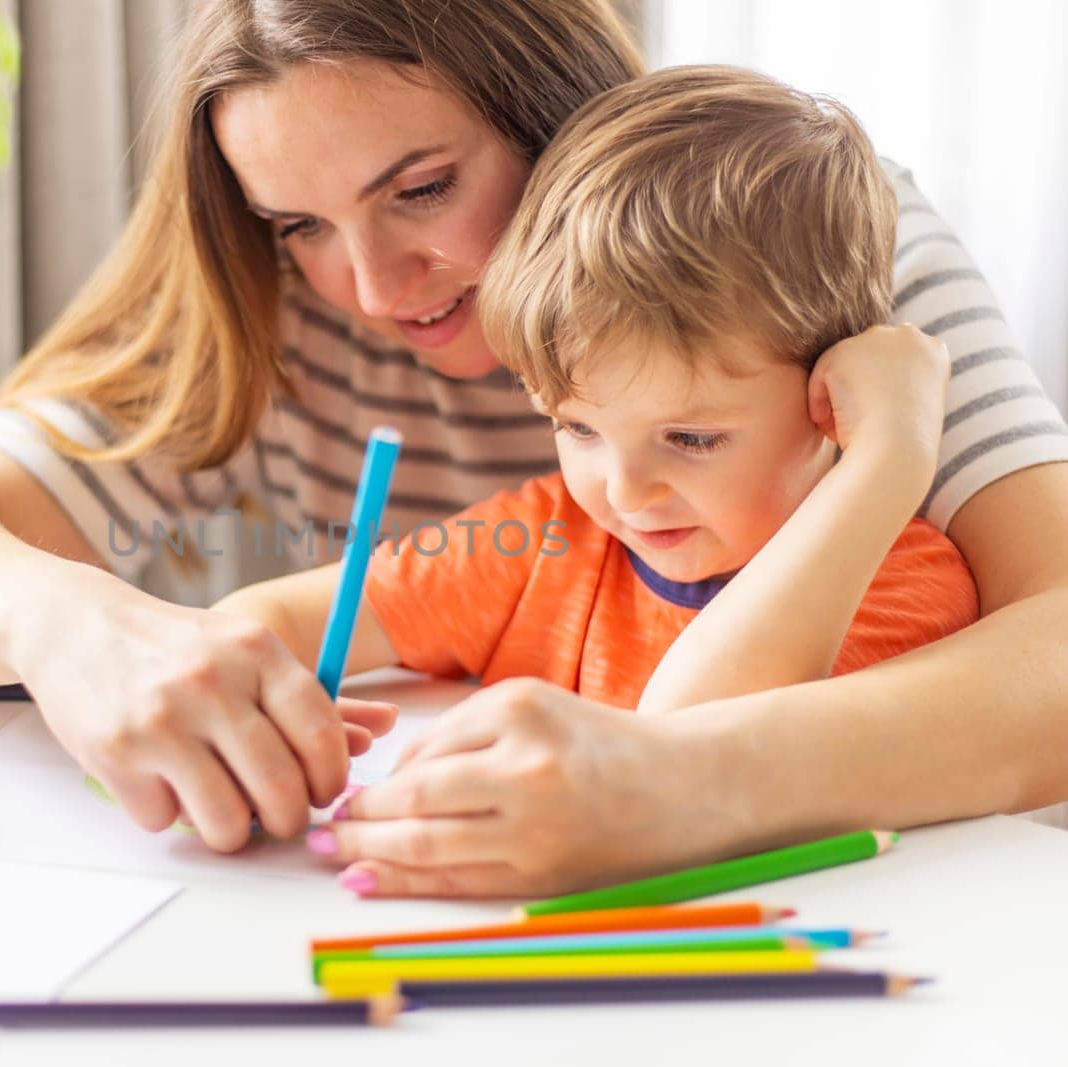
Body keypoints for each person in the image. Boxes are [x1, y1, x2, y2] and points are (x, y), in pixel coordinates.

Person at [0, 0, 1068, 893]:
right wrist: (76, 627)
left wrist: (677, 783)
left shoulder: (801, 236)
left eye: (423, 189)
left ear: (552, 103)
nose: (377, 284)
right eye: (302, 223)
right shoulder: (267, 309)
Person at [212, 66, 979, 892]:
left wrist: (885, 462)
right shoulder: (547, 536)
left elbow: (682, 744)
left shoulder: (897, 582)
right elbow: (268, 621)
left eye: (690, 436)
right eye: (576, 427)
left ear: (832, 401)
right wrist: (260, 713)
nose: (624, 490)